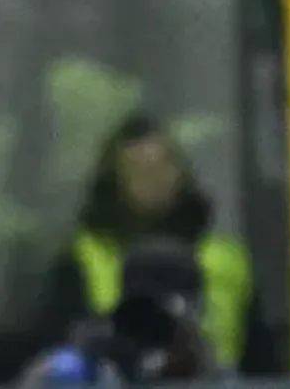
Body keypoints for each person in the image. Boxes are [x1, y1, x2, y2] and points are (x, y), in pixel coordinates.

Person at [35, 113, 275, 375]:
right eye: (140, 171)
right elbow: (58, 359)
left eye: (165, 166)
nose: (156, 180)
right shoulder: (83, 259)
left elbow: (262, 362)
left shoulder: (227, 260)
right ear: (114, 181)